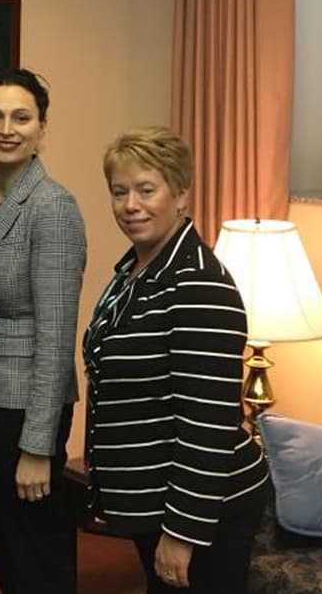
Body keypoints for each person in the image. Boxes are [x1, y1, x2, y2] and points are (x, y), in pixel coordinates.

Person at [84, 127, 269, 593]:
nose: (131, 205)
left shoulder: (199, 284)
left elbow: (208, 422)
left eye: (147, 190)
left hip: (203, 510)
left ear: (181, 195)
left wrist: (181, 534)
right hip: (156, 500)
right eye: (120, 191)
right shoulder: (135, 270)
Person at [0, 69, 86, 593]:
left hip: (25, 407)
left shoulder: (52, 208)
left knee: (36, 551)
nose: (6, 129)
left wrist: (38, 447)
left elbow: (56, 336)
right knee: (7, 544)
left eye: (21, 117)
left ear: (42, 127)